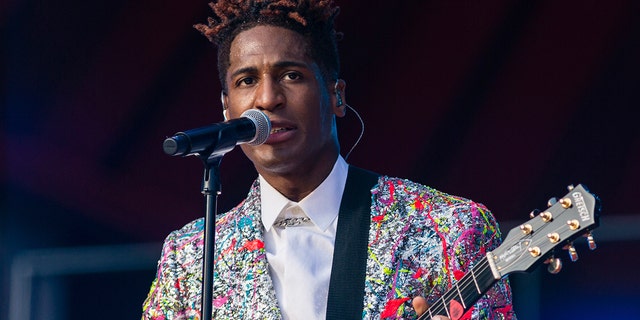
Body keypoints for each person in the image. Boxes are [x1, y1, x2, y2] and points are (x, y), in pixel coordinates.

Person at [142, 1, 516, 319]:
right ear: (227, 109)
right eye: (246, 80)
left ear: (336, 96)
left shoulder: (447, 229)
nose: (267, 98)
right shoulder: (191, 256)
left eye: (291, 75)